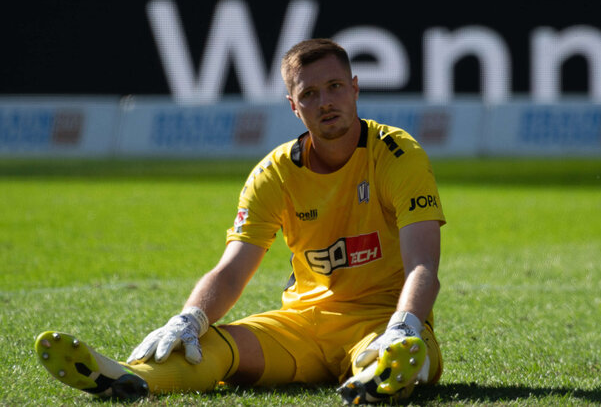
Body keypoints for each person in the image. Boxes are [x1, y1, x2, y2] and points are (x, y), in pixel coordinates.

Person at [34, 38, 445, 405]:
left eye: (335, 87)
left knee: (399, 353)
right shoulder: (274, 173)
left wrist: (405, 325)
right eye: (310, 94)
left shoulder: (397, 154)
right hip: (304, 325)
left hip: (383, 320)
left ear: (354, 88)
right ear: (293, 105)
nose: (326, 103)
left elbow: (422, 265)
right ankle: (128, 378)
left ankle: (387, 373)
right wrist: (190, 317)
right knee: (208, 343)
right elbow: (232, 270)